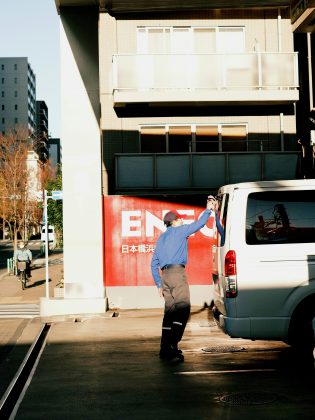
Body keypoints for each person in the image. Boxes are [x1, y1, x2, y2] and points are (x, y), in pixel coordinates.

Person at [151, 196, 216, 361]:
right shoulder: (180, 231)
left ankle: (164, 349)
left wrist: (159, 284)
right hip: (177, 275)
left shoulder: (160, 239)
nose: (182, 221)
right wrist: (208, 209)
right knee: (183, 310)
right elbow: (199, 224)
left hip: (165, 277)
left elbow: (153, 264)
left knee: (169, 314)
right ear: (174, 221)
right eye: (180, 219)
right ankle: (172, 346)